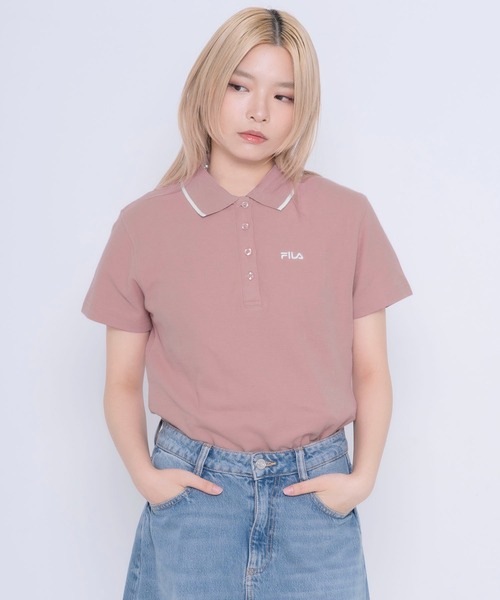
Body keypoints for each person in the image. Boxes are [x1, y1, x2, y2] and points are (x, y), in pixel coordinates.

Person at [82, 7, 412, 600]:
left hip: (315, 495)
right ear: (205, 87)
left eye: (283, 96)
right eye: (239, 86)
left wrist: (361, 477)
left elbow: (371, 368)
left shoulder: (347, 215)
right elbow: (122, 381)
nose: (259, 110)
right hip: (195, 496)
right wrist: (146, 476)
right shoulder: (143, 224)